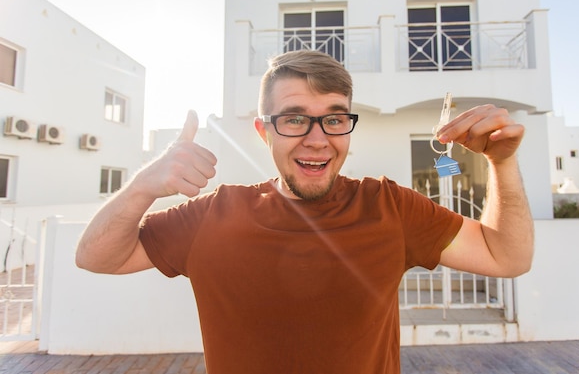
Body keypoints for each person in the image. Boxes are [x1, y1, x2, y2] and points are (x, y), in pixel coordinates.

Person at [76, 50, 534, 374]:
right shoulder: (212, 216)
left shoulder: (389, 207)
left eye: (334, 118)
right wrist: (142, 186)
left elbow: (506, 257)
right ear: (263, 131)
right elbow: (97, 256)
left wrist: (502, 161)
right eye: (295, 118)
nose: (318, 138)